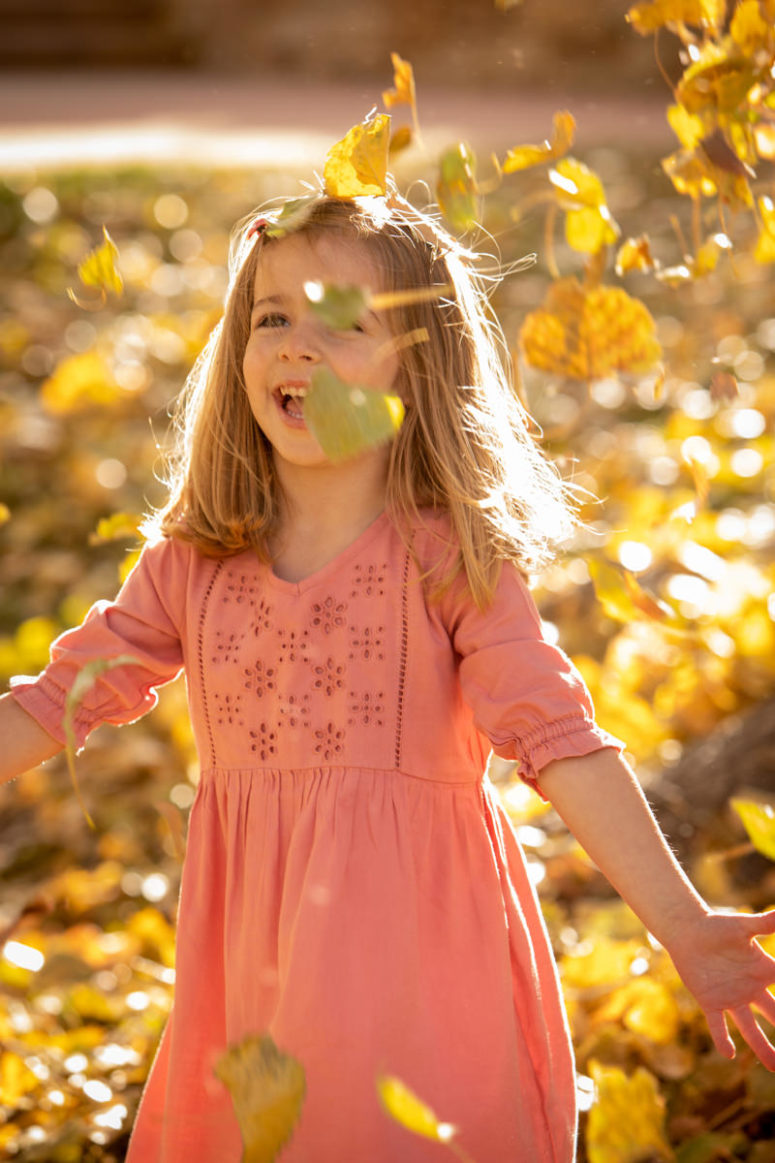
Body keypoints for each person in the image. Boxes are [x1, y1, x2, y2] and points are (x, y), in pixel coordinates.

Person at [1, 189, 774, 1163]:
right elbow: (49, 704)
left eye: (339, 322)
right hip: (255, 980)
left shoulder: (448, 561)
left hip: (416, 973)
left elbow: (558, 738)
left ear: (417, 363)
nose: (295, 344)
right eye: (271, 316)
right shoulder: (190, 567)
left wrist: (683, 924)